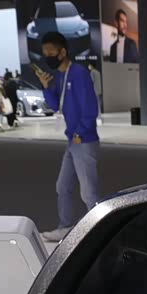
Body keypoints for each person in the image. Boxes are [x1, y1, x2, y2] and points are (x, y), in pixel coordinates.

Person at [36, 31, 100, 242]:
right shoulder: (60, 76)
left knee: (88, 193)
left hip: (84, 140)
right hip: (72, 141)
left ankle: (100, 233)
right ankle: (64, 227)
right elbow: (56, 105)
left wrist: (80, 132)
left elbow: (90, 109)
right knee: (62, 187)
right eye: (44, 53)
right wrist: (46, 87)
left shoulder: (79, 74)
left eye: (50, 53)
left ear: (62, 52)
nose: (47, 57)